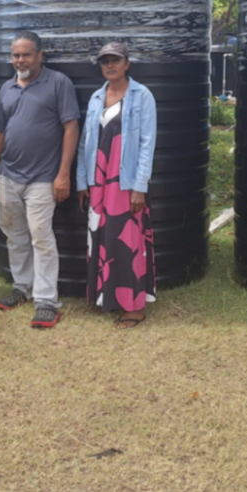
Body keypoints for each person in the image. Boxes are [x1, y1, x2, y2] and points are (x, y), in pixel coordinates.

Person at [0, 30, 80, 329]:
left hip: (43, 177)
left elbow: (71, 128)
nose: (20, 60)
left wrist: (63, 174)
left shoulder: (58, 83)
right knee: (15, 235)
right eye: (15, 55)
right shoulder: (7, 88)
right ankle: (22, 287)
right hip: (8, 175)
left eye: (26, 54)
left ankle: (47, 301)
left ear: (40, 55)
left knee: (41, 237)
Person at [76, 42, 157, 328]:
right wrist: (82, 181)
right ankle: (105, 298)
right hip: (98, 181)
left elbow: (147, 143)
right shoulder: (97, 97)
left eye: (115, 60)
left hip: (125, 183)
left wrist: (139, 187)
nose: (110, 65)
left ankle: (133, 308)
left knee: (126, 242)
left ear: (127, 64)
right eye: (105, 61)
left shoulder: (142, 96)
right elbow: (85, 142)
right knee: (100, 238)